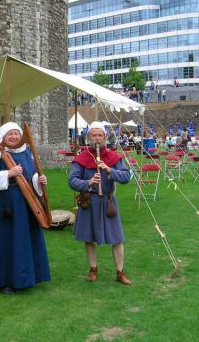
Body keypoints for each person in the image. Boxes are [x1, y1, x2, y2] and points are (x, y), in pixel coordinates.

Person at [0, 122, 50, 294]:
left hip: (25, 205)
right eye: (11, 134)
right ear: (3, 136)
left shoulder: (27, 153)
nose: (15, 137)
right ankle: (4, 280)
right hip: (5, 207)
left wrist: (39, 181)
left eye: (17, 134)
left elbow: (31, 176)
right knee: (7, 242)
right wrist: (9, 173)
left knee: (24, 241)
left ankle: (27, 277)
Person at [68, 121, 133, 285]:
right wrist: (88, 183)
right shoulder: (82, 158)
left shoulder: (113, 157)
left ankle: (120, 272)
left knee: (117, 239)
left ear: (105, 137)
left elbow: (126, 177)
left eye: (100, 135)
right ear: (89, 137)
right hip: (89, 202)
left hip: (108, 203)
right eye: (94, 135)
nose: (97, 138)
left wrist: (110, 170)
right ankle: (93, 269)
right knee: (89, 239)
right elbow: (72, 181)